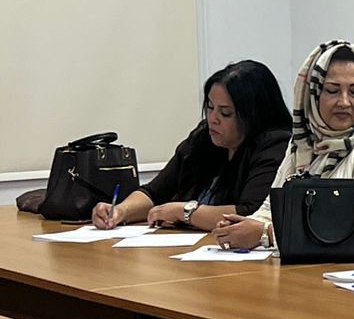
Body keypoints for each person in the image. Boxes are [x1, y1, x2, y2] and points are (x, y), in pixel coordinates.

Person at [214, 41, 354, 266]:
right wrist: (240, 227)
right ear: (313, 93)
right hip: (329, 275)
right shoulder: (304, 145)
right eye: (332, 91)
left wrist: (265, 235)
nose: (344, 102)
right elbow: (271, 209)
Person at [91, 60, 290, 233]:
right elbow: (154, 192)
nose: (213, 119)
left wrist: (184, 212)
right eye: (210, 107)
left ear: (254, 115)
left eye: (225, 113)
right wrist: (120, 211)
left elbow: (250, 214)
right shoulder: (204, 137)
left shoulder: (275, 144)